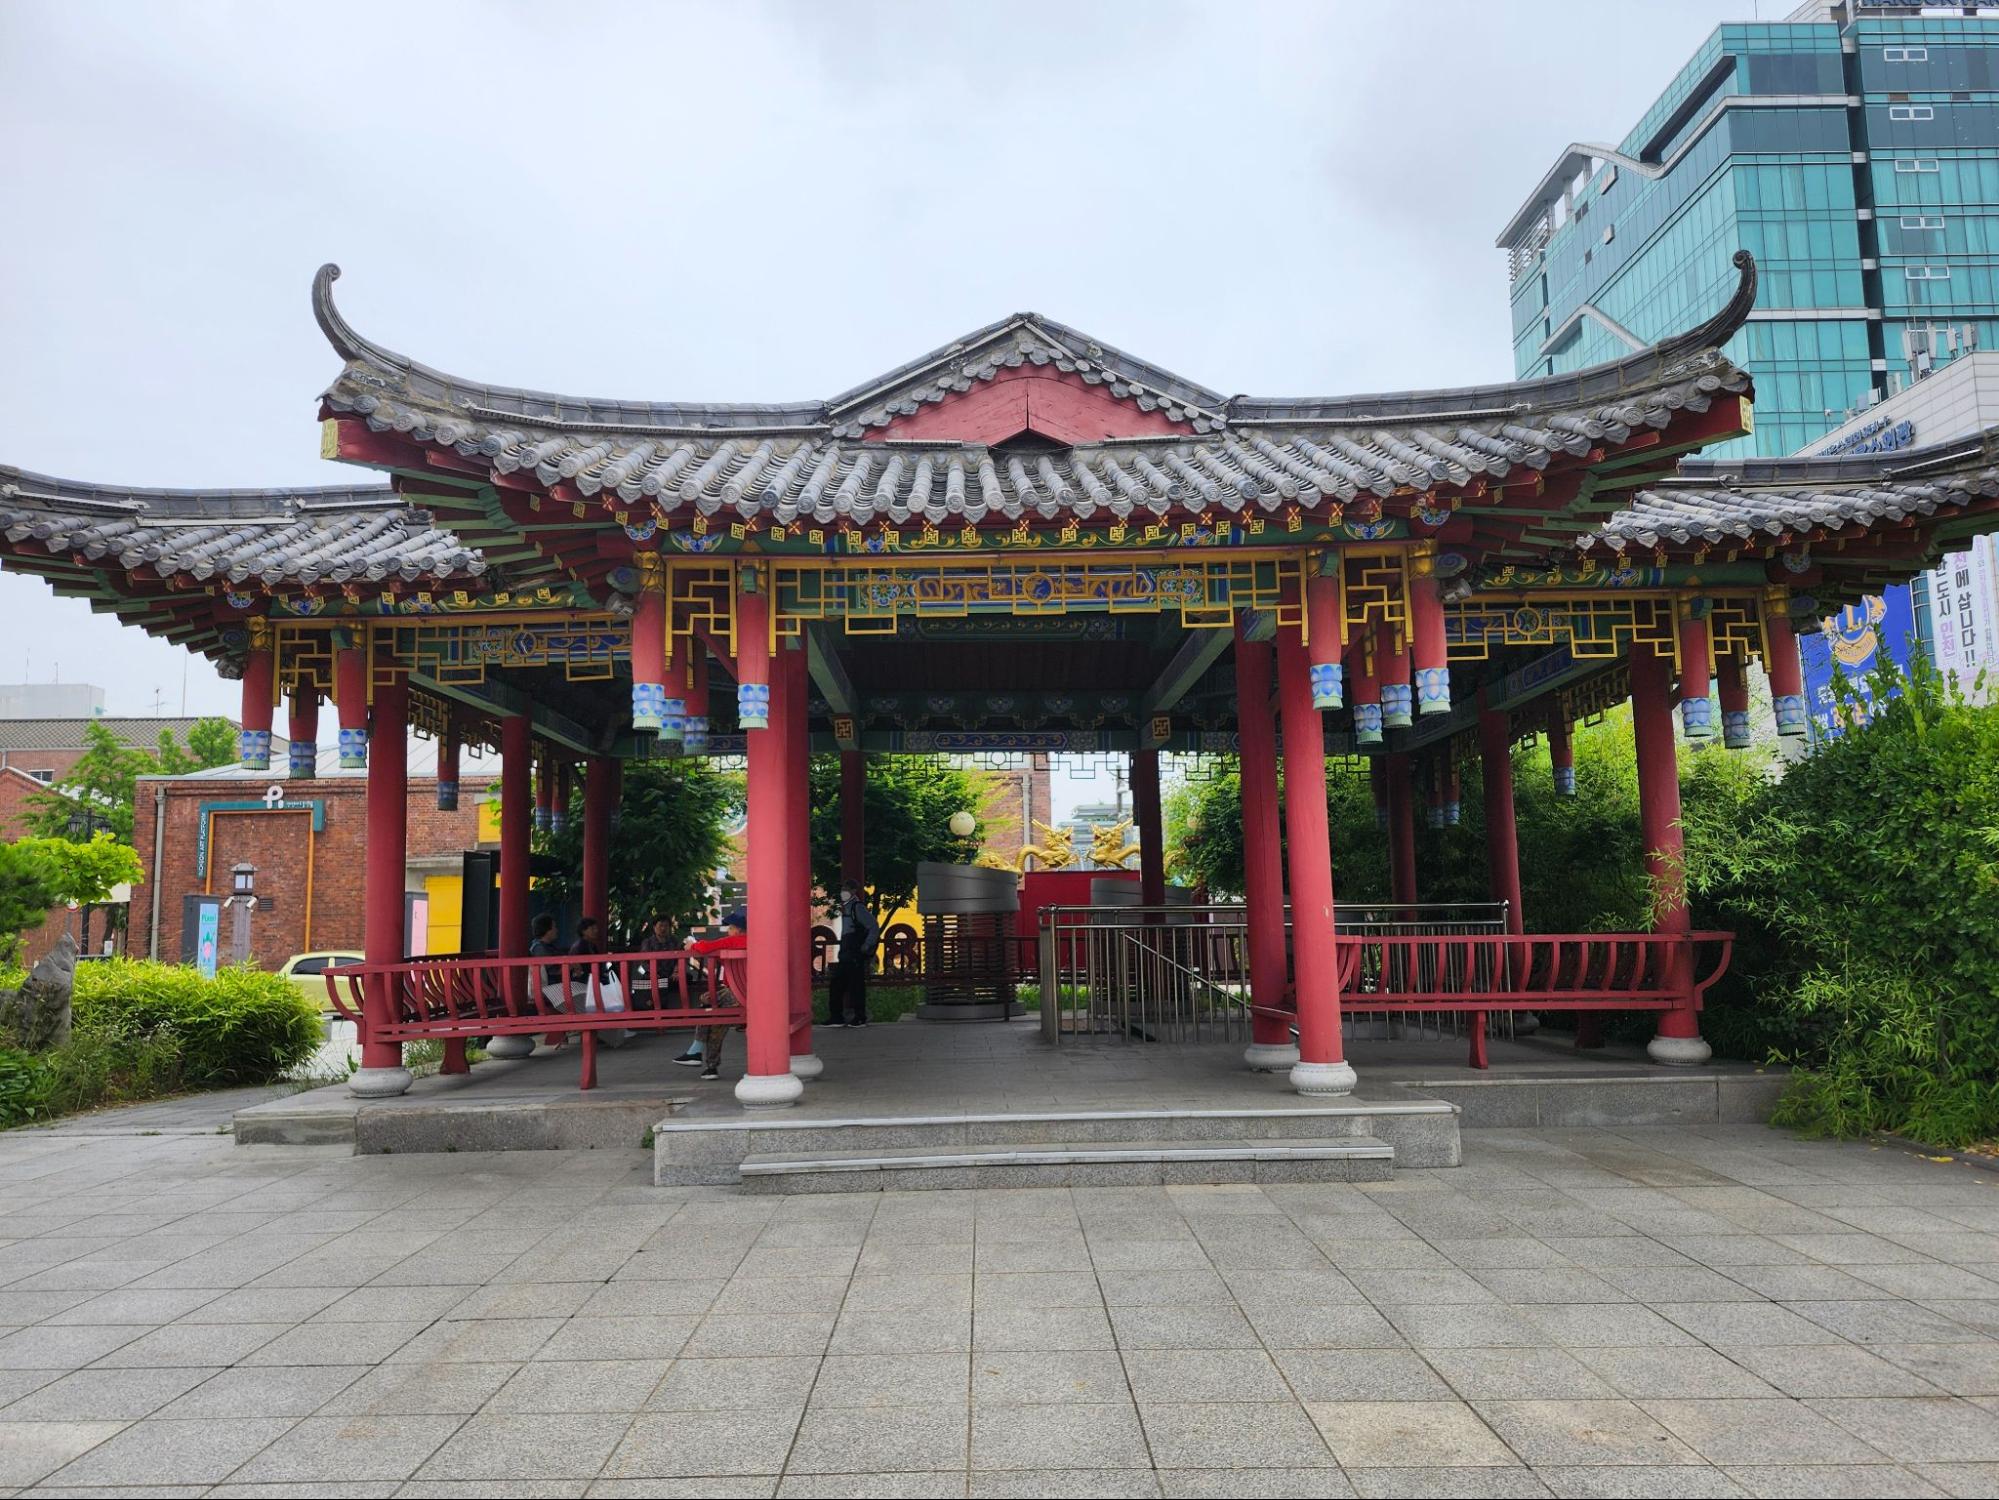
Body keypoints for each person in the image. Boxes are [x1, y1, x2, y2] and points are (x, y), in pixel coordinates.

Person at [685, 907, 747, 1080]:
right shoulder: (758, 941)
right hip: (753, 996)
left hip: (736, 994)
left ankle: (698, 1051)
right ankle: (709, 1066)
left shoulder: (732, 941)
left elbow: (705, 947)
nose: (728, 931)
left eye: (731, 928)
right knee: (715, 1020)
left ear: (738, 929)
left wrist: (692, 945)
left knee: (707, 999)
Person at [827, 879, 878, 1028]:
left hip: (855, 952)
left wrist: (867, 945)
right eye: (842, 888)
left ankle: (859, 1017)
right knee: (838, 984)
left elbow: (873, 926)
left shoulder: (857, 908)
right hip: (847, 952)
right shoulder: (847, 908)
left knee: (855, 986)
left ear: (854, 891)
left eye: (846, 889)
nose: (843, 891)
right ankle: (837, 1017)